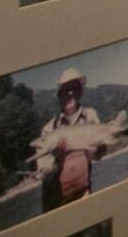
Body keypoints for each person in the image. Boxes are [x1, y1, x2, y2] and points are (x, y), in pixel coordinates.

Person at [37, 68, 107, 210]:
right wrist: (59, 156)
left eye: (74, 88)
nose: (70, 93)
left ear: (79, 91)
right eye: (65, 90)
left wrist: (99, 148)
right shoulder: (49, 129)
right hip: (57, 203)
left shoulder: (90, 116)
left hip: (84, 196)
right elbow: (42, 170)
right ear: (59, 95)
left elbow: (98, 156)